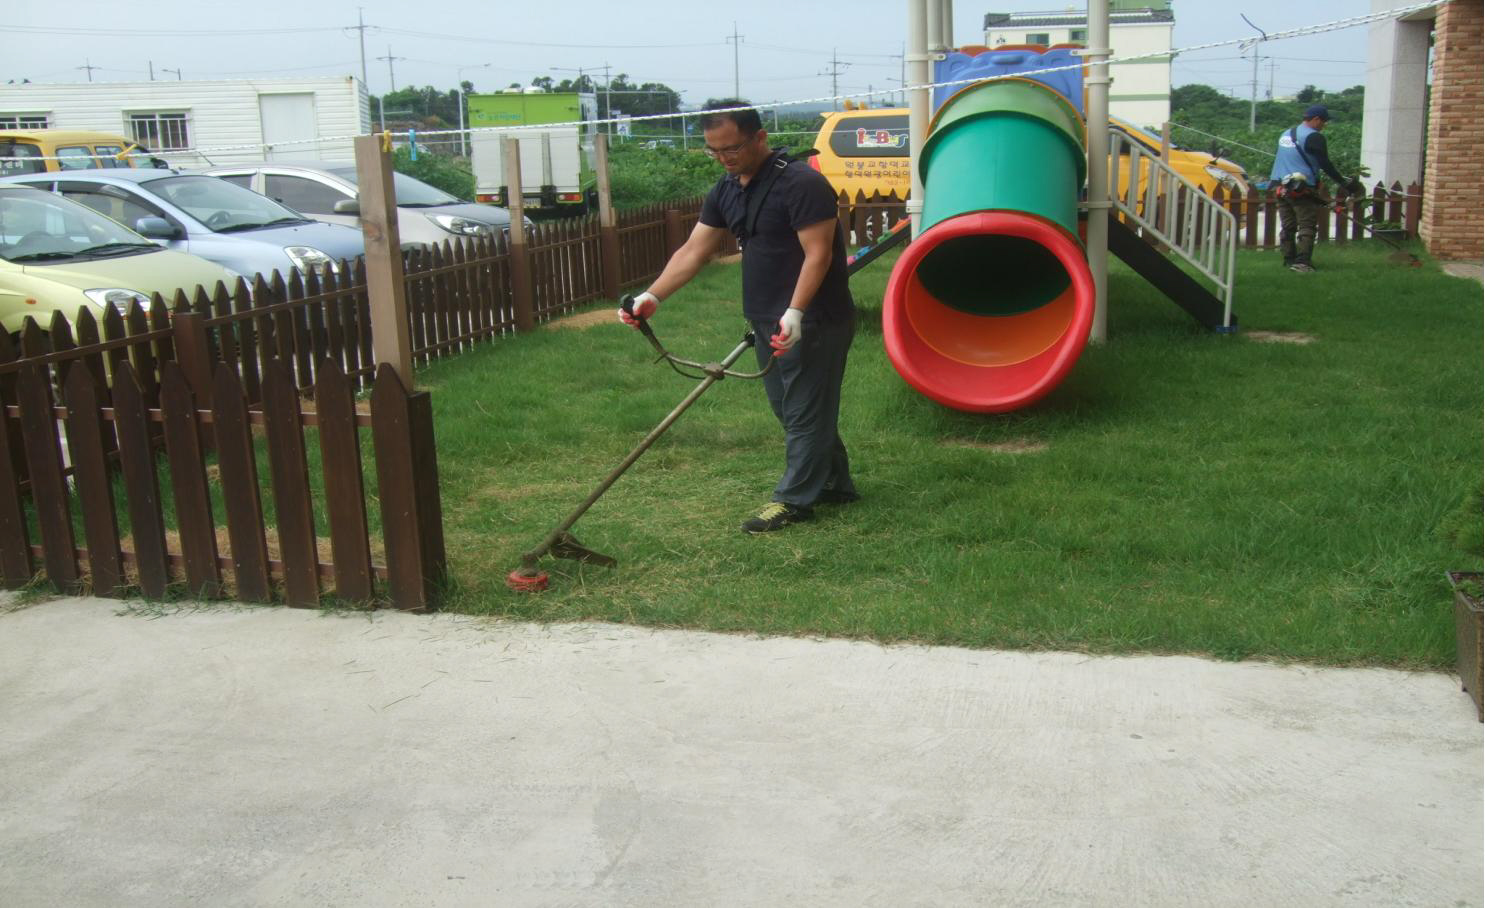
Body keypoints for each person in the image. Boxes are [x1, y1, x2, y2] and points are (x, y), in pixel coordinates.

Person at [617, 100, 858, 534]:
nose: (725, 159)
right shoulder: (728, 189)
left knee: (804, 411)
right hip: (768, 319)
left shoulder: (801, 184)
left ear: (759, 137)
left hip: (814, 317)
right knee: (791, 410)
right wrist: (653, 296)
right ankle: (835, 484)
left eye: (732, 149)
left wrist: (796, 312)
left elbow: (818, 254)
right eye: (714, 151)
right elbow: (695, 249)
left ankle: (792, 500)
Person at [1269, 103, 1363, 273]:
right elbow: (1325, 164)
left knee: (1288, 226)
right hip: (1301, 188)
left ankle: (1288, 260)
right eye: (1323, 122)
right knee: (1307, 226)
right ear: (1316, 119)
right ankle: (1302, 263)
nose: (1324, 126)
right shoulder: (1314, 137)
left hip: (1279, 186)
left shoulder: (1286, 134)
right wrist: (1343, 182)